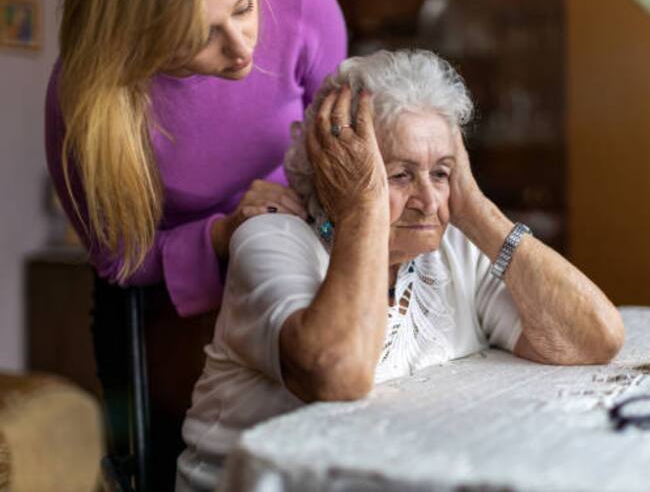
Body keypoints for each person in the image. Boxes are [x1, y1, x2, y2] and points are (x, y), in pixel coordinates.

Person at [177, 49, 625, 490]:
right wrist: (363, 207)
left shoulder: (451, 248)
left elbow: (594, 338)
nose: (429, 202)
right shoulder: (274, 238)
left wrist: (475, 210)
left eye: (441, 173)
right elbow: (338, 373)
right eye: (401, 175)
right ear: (337, 171)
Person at [44, 0, 346, 487]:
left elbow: (341, 159)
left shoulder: (302, 0)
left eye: (244, 8)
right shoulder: (82, 97)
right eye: (198, 36)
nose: (242, 48)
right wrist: (223, 233)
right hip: (155, 306)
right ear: (133, 39)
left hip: (290, 266)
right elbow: (117, 256)